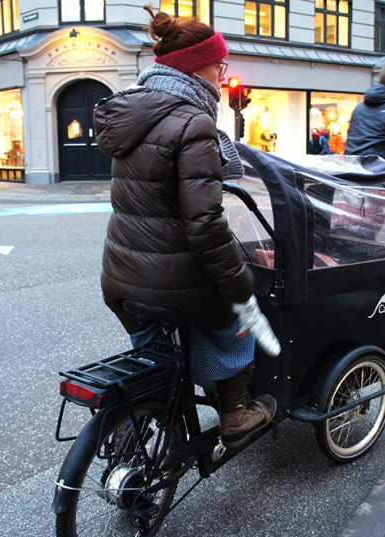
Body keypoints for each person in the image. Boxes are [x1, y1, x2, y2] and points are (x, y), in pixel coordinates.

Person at [94, 7, 280, 450]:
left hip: (120, 276)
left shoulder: (132, 113)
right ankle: (235, 414)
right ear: (201, 66)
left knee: (156, 347)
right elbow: (204, 224)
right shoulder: (194, 122)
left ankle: (136, 414)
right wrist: (241, 283)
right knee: (239, 321)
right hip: (170, 280)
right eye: (221, 65)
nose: (222, 73)